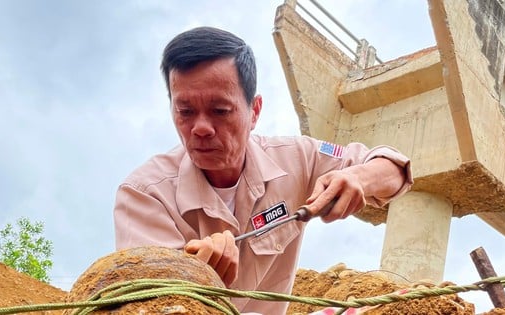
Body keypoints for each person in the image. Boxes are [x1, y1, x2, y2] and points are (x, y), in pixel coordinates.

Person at [113, 26, 413, 314]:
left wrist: (359, 177)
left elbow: (394, 169)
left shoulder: (297, 159)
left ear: (254, 111)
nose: (201, 128)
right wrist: (198, 278)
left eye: (220, 111)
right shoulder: (144, 195)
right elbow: (151, 302)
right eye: (185, 112)